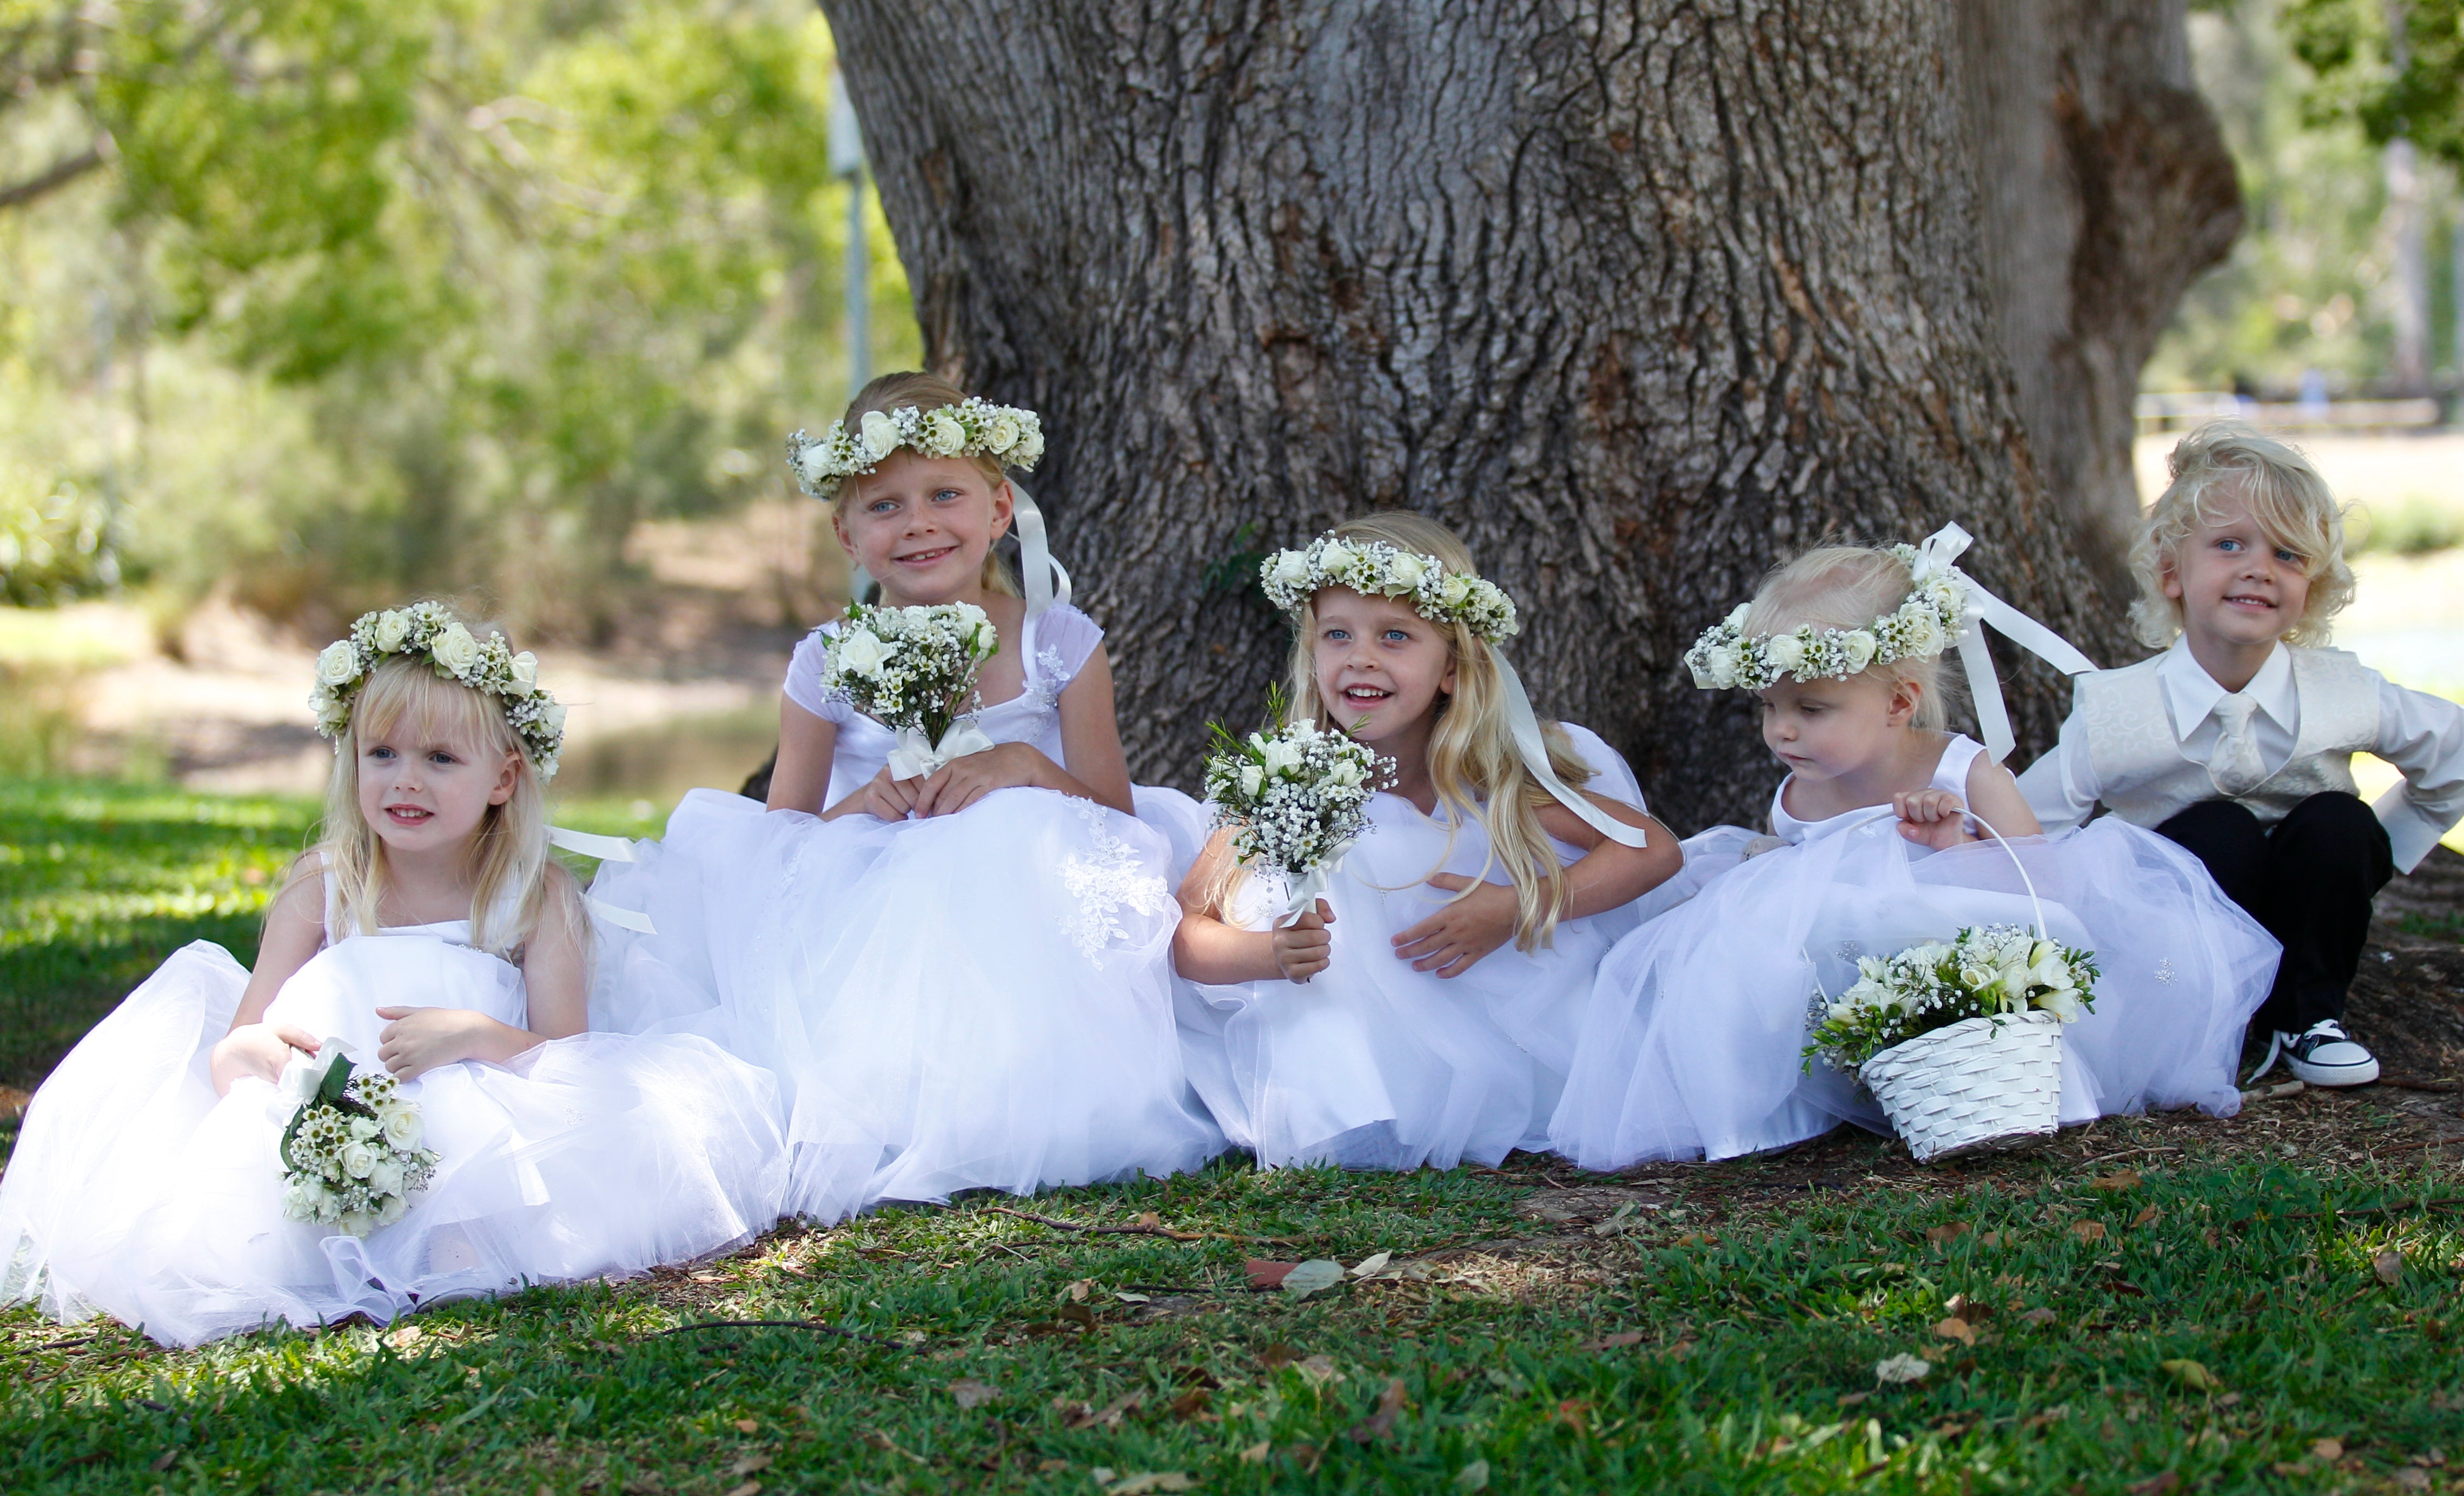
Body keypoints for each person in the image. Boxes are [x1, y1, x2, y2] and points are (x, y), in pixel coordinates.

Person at [0, 607, 786, 1347]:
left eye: (440, 759)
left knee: (478, 1210)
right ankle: (330, 1244)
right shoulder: (325, 884)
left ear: (503, 779)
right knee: (249, 1239)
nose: (405, 781)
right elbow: (233, 1049)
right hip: (327, 1117)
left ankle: (450, 1247)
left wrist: (472, 1035)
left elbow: (569, 1057)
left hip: (482, 1119)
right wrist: (271, 1060)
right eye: (382, 754)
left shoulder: (531, 894)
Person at [586, 374, 1220, 1215]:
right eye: (884, 506)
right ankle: (900, 1105)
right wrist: (872, 801)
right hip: (866, 893)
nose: (918, 523)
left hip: (1030, 903)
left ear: (998, 511)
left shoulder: (1055, 640)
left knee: (1005, 831)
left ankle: (1023, 1097)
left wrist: (1024, 769)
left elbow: (1115, 817)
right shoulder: (826, 659)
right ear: (846, 535)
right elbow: (782, 834)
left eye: (945, 496)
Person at [1551, 534, 2281, 1172]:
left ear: (1899, 703)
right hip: (1847, 993)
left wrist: (1954, 844)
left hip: (1963, 976)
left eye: (1809, 710)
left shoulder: (1964, 772)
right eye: (1769, 708)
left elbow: (2044, 889)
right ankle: (1787, 1095)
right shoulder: (1798, 790)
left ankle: (1965, 1081)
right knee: (1731, 948)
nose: (1782, 734)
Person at [1171, 513, 1683, 1171]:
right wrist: (1266, 952)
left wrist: (1515, 907)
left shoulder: (1492, 779)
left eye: (1394, 636)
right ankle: (1369, 1108)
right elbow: (1188, 930)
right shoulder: (1286, 787)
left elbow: (1655, 850)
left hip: (1508, 1029)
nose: (1360, 657)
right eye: (1337, 635)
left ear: (1451, 667)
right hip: (1358, 1063)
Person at [2017, 423, 2464, 1086]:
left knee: (2340, 824)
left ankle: (2309, 1018)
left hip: (2310, 908)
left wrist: (2382, 853)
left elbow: (2462, 752)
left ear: (2312, 587)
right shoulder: (2117, 711)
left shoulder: (2342, 690)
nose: (2259, 569)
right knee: (2219, 831)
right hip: (2182, 931)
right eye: (2229, 544)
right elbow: (2027, 827)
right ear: (2171, 572)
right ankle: (2214, 1018)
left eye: (2289, 556)